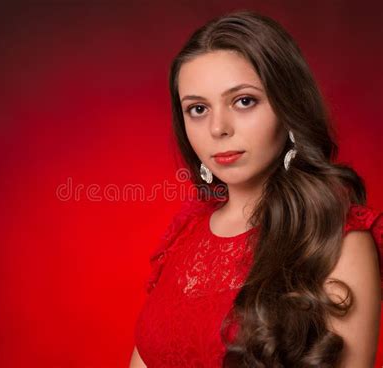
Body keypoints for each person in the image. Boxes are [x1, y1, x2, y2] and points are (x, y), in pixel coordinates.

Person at [130, 9, 383, 368]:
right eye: (198, 109)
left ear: (288, 105)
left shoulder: (340, 240)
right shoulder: (187, 232)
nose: (218, 128)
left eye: (244, 101)